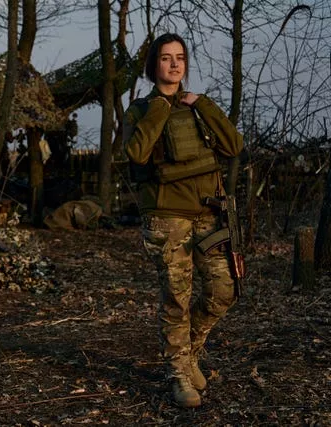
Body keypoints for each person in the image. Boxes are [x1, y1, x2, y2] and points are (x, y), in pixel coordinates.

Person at [123, 33, 243, 408]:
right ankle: (178, 374)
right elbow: (137, 154)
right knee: (177, 298)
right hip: (167, 217)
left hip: (209, 213)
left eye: (180, 58)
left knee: (225, 289)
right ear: (153, 65)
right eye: (165, 58)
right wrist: (160, 107)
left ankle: (189, 352)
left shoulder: (198, 107)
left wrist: (202, 104)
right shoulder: (140, 111)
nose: (174, 64)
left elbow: (233, 145)